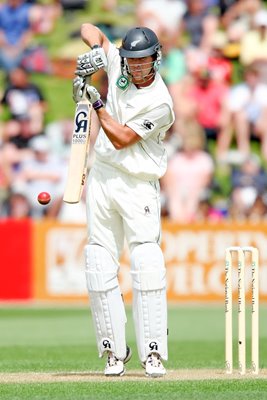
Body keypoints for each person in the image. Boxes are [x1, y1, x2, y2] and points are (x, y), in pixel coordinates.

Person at [72, 24, 174, 377]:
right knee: (98, 261)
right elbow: (90, 30)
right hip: (102, 177)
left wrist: (94, 99)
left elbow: (121, 138)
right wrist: (97, 53)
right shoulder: (119, 65)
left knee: (146, 261)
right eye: (131, 61)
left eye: (144, 60)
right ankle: (114, 351)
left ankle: (153, 353)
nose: (137, 67)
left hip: (137, 183)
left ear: (156, 59)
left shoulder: (160, 102)